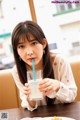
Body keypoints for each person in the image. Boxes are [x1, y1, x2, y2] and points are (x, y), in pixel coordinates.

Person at [11, 20, 77, 111]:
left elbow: (72, 96)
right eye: (21, 46)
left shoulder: (59, 62)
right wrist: (30, 98)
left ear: (44, 43)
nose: (29, 52)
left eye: (34, 43)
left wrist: (58, 86)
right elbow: (29, 106)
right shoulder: (16, 71)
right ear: (16, 50)